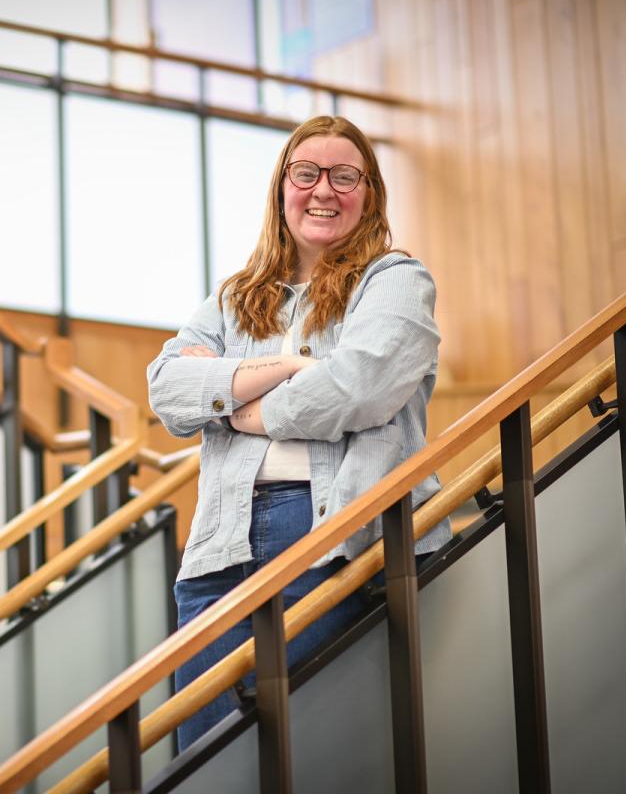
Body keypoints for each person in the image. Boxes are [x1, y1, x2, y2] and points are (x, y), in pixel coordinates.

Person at [147, 115, 452, 750]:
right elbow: (167, 389)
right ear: (281, 188)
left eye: (345, 176)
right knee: (203, 755)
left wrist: (238, 406)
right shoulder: (236, 298)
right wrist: (288, 366)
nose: (323, 190)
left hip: (335, 534)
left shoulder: (395, 280)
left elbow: (359, 386)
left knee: (305, 748)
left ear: (368, 193)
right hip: (218, 545)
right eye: (305, 173)